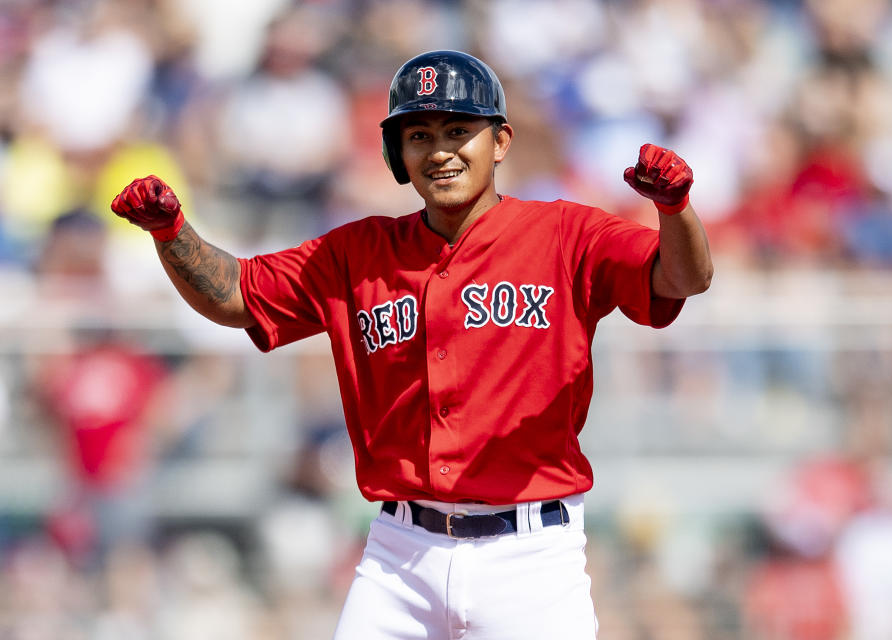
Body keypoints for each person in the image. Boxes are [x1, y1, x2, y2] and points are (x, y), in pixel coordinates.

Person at [111, 50, 713, 639]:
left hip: (531, 556)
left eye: (459, 130)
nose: (441, 150)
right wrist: (171, 233)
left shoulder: (566, 234)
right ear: (397, 153)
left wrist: (674, 210)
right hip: (401, 553)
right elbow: (237, 296)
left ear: (499, 142)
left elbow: (683, 278)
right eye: (419, 134)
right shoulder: (355, 253)